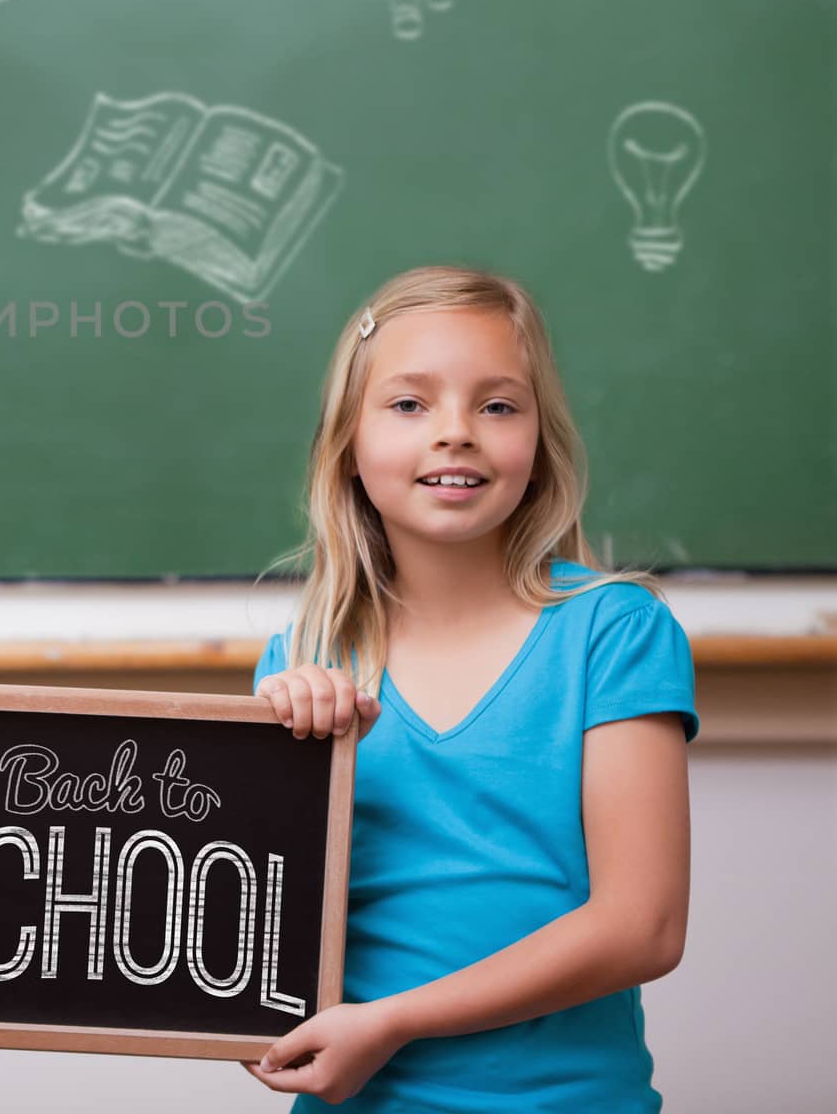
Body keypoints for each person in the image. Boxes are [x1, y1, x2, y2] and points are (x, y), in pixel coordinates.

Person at [248, 266, 695, 1111]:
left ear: (539, 440)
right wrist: (271, 762)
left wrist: (392, 1023)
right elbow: (258, 951)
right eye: (409, 404)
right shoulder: (297, 662)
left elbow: (644, 926)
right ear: (347, 443)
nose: (456, 433)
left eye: (497, 405)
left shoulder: (614, 631)